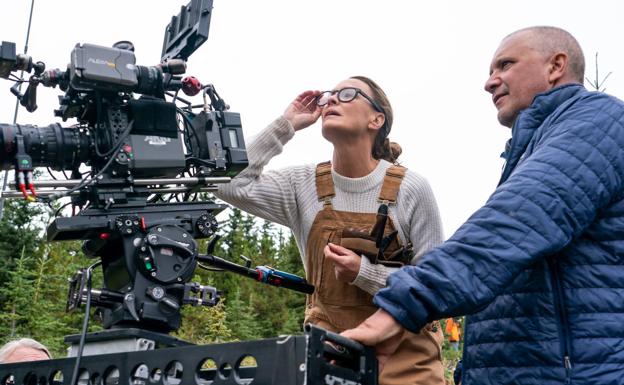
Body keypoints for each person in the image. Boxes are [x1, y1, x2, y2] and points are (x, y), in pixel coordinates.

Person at [342, 26, 624, 385]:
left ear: (556, 66)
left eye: (504, 65)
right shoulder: (532, 148)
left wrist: (401, 308)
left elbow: (514, 223)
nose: (490, 82)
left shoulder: (599, 121)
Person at [216, 76, 445, 384]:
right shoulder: (303, 184)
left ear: (377, 119)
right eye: (329, 96)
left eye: (348, 94)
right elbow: (227, 184)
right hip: (332, 357)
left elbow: (435, 287)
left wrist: (364, 273)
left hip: (407, 357)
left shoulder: (411, 188)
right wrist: (287, 124)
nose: (332, 100)